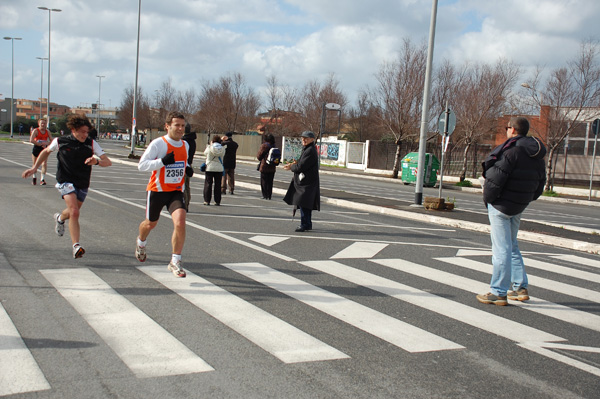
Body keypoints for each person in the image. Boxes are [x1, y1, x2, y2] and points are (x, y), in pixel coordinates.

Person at [476, 117, 546, 306]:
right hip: (519, 205)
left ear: (513, 130)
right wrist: (526, 199)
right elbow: (541, 183)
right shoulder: (536, 155)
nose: (507, 131)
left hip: (501, 206)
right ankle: (520, 287)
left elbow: (494, 180)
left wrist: (488, 199)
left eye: (508, 128)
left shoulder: (511, 151)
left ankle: (498, 292)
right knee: (512, 245)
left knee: (502, 250)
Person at [22, 114, 112, 258]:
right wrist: (34, 168)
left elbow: (108, 162)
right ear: (73, 130)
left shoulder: (91, 144)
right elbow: (45, 152)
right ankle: (76, 246)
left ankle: (59, 218)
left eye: (87, 132)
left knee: (71, 212)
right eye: (82, 131)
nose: (85, 134)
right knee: (75, 212)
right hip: (65, 180)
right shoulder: (60, 141)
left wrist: (96, 162)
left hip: (82, 182)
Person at [136, 111, 193, 278]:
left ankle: (175, 261)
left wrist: (187, 168)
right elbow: (142, 165)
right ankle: (141, 242)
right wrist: (161, 162)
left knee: (180, 221)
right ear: (167, 126)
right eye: (177, 125)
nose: (181, 128)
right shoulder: (158, 144)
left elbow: (183, 163)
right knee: (150, 224)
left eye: (183, 125)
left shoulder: (185, 145)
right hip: (157, 190)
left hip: (175, 191)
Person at [283, 131, 320, 232]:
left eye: (306, 138)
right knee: (305, 204)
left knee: (303, 202)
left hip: (307, 182)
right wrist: (296, 164)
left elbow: (301, 167)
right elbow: (302, 164)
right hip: (307, 181)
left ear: (312, 139)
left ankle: (304, 224)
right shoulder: (308, 149)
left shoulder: (309, 150)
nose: (303, 140)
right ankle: (307, 223)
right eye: (302, 138)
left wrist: (292, 167)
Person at [203, 135, 225, 206]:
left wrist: (210, 145)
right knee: (218, 185)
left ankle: (207, 200)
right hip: (219, 168)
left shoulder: (209, 148)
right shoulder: (222, 148)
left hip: (210, 167)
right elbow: (223, 155)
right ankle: (217, 201)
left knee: (208, 184)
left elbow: (205, 153)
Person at [29, 118, 53, 185]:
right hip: (37, 148)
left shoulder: (47, 131)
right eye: (41, 123)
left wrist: (47, 143)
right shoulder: (36, 131)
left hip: (44, 149)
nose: (43, 124)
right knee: (35, 164)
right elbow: (31, 140)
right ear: (39, 124)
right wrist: (39, 144)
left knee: (44, 163)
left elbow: (52, 140)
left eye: (44, 123)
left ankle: (42, 179)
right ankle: (34, 177)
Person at [257, 133, 277, 200]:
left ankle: (265, 195)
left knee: (264, 181)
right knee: (270, 182)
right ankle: (269, 195)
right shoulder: (274, 146)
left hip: (265, 166)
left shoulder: (264, 146)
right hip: (272, 167)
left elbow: (259, 156)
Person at [182, 123, 197, 210]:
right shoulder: (193, 141)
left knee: (183, 185)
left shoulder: (184, 141)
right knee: (187, 186)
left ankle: (184, 203)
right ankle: (187, 203)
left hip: (184, 164)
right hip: (189, 163)